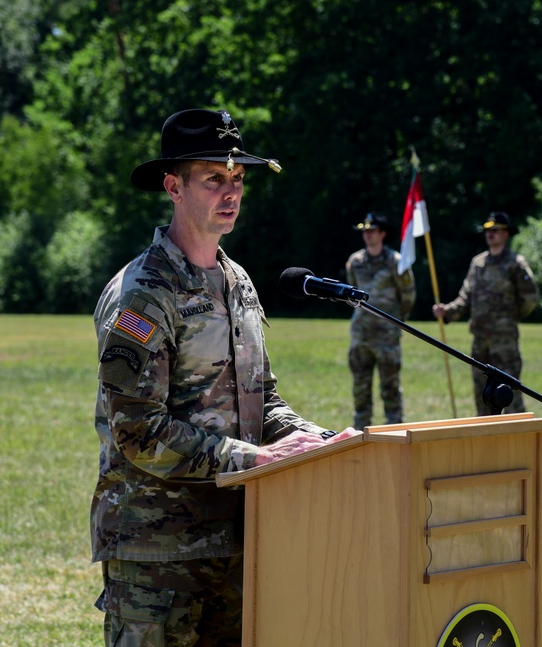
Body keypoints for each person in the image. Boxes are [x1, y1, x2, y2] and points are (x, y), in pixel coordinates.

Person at [91, 108, 355, 646]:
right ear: (173, 186)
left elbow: (263, 400)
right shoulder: (142, 294)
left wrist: (313, 441)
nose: (230, 191)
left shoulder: (239, 283)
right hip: (156, 551)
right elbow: (139, 432)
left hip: (239, 539)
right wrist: (253, 458)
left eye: (237, 178)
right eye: (213, 177)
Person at [432, 211, 538, 415]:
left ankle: (517, 439)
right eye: (488, 230)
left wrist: (510, 318)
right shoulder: (478, 263)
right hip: (480, 340)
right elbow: (465, 298)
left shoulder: (515, 263)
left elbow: (530, 298)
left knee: (509, 393)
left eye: (496, 230)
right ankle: (485, 440)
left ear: (506, 234)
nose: (490, 234)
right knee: (483, 394)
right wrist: (447, 311)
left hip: (504, 341)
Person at [344, 212, 416, 427]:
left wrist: (395, 321)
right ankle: (360, 431)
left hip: (387, 336)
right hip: (361, 335)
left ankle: (395, 427)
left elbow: (408, 296)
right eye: (365, 231)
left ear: (382, 234)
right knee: (360, 386)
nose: (367, 235)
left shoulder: (396, 261)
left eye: (372, 231)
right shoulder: (355, 261)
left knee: (390, 386)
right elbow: (352, 292)